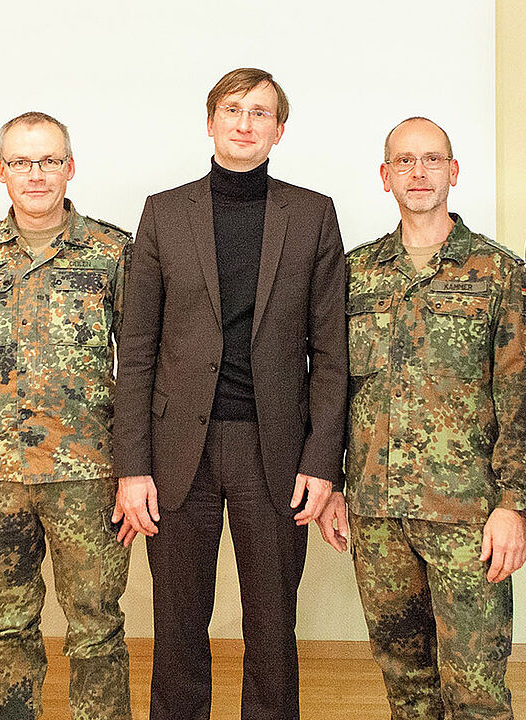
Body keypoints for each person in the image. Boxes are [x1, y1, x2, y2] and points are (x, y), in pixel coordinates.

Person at [114, 68, 348, 720]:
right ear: (211, 120)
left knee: (273, 627)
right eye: (234, 109)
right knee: (178, 623)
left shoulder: (311, 214)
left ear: (279, 129)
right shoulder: (164, 212)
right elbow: (136, 350)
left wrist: (322, 462)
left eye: (261, 113)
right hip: (176, 449)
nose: (246, 123)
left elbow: (331, 356)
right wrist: (132, 467)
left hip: (276, 449)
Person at [0, 112, 131, 720]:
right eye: (21, 162)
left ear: (70, 168)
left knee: (96, 627)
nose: (35, 175)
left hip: (88, 475)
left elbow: (145, 366)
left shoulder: (113, 252)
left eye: (48, 161)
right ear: (1, 171)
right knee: (6, 627)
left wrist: (137, 468)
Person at [336, 116, 526, 719]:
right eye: (403, 161)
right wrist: (333, 481)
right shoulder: (354, 273)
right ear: (384, 176)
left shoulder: (498, 273)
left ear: (454, 171)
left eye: (431, 159)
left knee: (476, 689)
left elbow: (519, 394)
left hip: (468, 516)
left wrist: (513, 504)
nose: (417, 172)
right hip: (376, 514)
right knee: (406, 683)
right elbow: (328, 388)